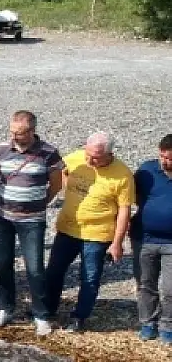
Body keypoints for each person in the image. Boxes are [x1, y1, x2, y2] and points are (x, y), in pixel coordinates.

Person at [44, 132, 135, 332]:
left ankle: (79, 316)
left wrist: (117, 242)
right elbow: (59, 169)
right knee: (54, 271)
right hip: (68, 228)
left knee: (90, 277)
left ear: (109, 154)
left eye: (95, 157)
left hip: (98, 234)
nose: (89, 160)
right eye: (88, 154)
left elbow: (124, 210)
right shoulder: (76, 157)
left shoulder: (122, 175)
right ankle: (47, 309)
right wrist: (63, 186)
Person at [0, 111, 63, 337]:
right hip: (3, 216)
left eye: (19, 133)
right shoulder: (1, 150)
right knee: (3, 264)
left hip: (32, 220)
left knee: (35, 268)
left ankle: (40, 314)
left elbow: (56, 185)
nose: (14, 136)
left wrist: (39, 202)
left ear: (31, 131)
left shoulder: (48, 153)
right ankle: (5, 308)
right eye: (12, 132)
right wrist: (3, 200)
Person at [133, 134, 172, 342]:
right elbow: (133, 197)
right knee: (145, 284)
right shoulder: (147, 170)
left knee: (170, 288)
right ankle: (148, 322)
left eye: (170, 159)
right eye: (162, 157)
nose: (165, 162)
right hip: (144, 238)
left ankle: (168, 324)